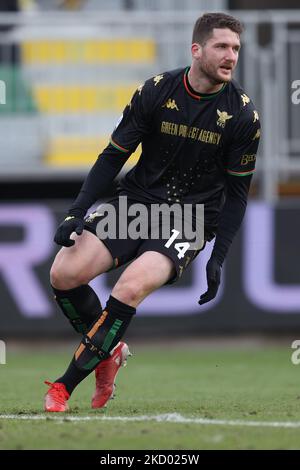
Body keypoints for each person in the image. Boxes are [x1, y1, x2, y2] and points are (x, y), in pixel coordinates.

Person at [44, 12, 261, 412]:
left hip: (190, 219)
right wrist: (77, 211)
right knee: (63, 273)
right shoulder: (157, 90)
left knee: (127, 288)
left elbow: (238, 194)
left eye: (235, 48)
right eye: (222, 47)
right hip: (136, 203)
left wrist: (219, 256)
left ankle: (63, 387)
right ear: (196, 50)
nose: (231, 56)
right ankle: (108, 351)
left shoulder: (243, 116)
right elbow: (114, 156)